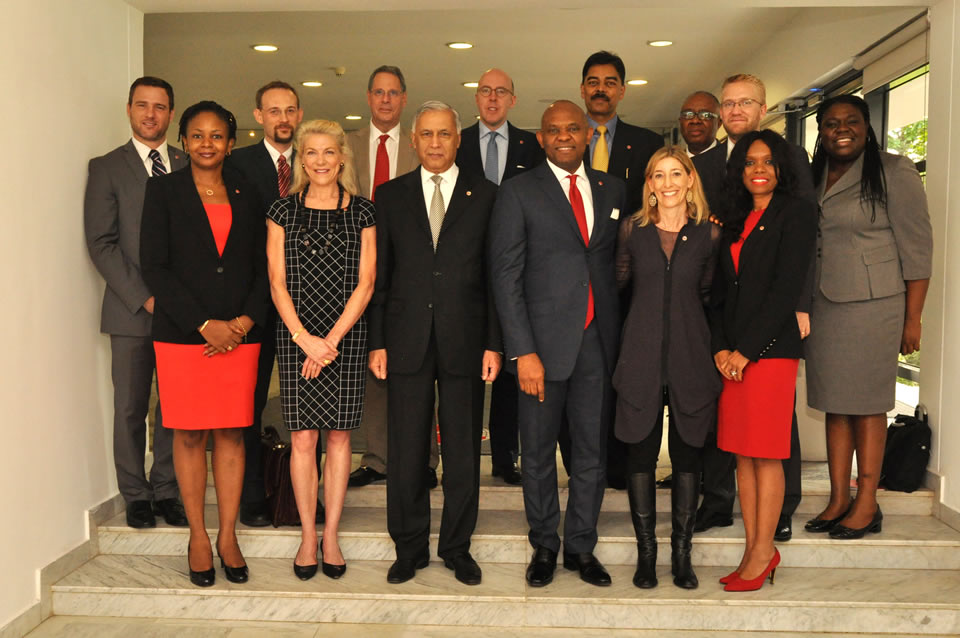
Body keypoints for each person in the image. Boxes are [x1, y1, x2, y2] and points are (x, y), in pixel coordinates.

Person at [489, 100, 626, 588]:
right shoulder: (518, 192)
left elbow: (618, 266)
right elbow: (505, 277)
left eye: (573, 128)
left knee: (592, 454)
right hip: (540, 351)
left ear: (588, 134)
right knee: (540, 452)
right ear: (540, 138)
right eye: (553, 130)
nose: (564, 136)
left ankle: (582, 547)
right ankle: (545, 543)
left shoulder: (615, 189)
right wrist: (521, 350)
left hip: (598, 346)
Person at [369, 101, 501, 586]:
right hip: (404, 340)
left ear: (458, 139)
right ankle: (409, 547)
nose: (435, 143)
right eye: (426, 134)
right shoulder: (390, 195)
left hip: (467, 340)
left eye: (444, 134)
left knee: (463, 450)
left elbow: (493, 277)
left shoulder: (486, 195)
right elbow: (380, 276)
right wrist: (377, 340)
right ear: (413, 139)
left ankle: (456, 547)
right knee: (405, 451)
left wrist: (494, 342)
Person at [140, 101, 268, 587]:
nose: (207, 144)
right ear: (184, 141)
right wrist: (202, 324)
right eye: (197, 135)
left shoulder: (249, 192)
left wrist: (242, 322)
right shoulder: (163, 190)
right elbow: (154, 266)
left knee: (232, 434)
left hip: (239, 336)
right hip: (182, 338)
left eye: (217, 136)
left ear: (231, 143)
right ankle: (197, 536)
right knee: (189, 436)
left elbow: (263, 265)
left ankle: (228, 536)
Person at [804, 95, 932, 539]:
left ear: (867, 125)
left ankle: (867, 502)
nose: (842, 129)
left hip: (874, 305)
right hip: (823, 303)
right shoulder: (814, 173)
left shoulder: (893, 170)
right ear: (820, 129)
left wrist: (912, 319)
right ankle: (839, 498)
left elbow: (918, 249)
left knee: (868, 406)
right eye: (832, 122)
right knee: (835, 405)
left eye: (852, 121)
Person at [693, 73, 814, 541]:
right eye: (728, 104)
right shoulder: (706, 164)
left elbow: (803, 242)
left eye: (746, 103)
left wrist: (800, 306)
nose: (736, 110)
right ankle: (719, 501)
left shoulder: (790, 162)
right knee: (731, 427)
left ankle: (780, 508)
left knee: (774, 425)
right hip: (730, 306)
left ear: (763, 109)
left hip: (775, 318)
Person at [266, 120, 376, 580]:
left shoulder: (364, 213)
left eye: (329, 152)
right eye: (311, 153)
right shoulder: (281, 212)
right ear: (300, 159)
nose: (320, 161)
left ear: (342, 158)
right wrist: (304, 338)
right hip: (296, 337)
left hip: (345, 339)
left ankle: (331, 534)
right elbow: (276, 282)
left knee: (338, 437)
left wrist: (329, 341)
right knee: (303, 438)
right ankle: (307, 536)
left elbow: (367, 282)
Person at [708, 130, 816, 592]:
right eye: (750, 161)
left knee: (766, 455)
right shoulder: (733, 217)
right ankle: (755, 549)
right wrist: (720, 347)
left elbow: (786, 289)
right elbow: (718, 291)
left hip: (768, 354)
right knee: (742, 456)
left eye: (768, 161)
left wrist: (745, 352)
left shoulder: (798, 211)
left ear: (782, 167)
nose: (759, 169)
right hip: (731, 354)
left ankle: (762, 552)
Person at [84, 77, 189, 530]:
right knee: (130, 406)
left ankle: (167, 489)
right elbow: (102, 242)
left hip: (182, 313)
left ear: (170, 113)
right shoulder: (106, 167)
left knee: (174, 407)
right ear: (129, 110)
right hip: (130, 312)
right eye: (142, 105)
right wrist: (145, 297)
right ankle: (136, 495)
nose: (151, 114)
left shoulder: (189, 164)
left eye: (160, 106)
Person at [615, 147, 721, 590]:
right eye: (659, 175)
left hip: (691, 359)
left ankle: (682, 554)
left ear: (690, 179)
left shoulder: (709, 235)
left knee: (686, 454)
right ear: (650, 185)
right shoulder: (631, 231)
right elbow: (618, 289)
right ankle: (646, 554)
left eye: (676, 173)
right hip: (639, 357)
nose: (669, 182)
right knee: (639, 451)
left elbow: (711, 296)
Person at [228, 80, 320, 528]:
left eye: (290, 110)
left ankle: (307, 495)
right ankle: (253, 495)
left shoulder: (315, 161)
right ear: (259, 116)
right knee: (249, 404)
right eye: (273, 110)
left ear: (299, 114)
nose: (283, 118)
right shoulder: (237, 165)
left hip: (313, 307)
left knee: (312, 407)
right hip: (259, 307)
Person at [345, 65, 439, 489]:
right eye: (378, 92)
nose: (385, 100)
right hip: (354, 274)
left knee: (422, 362)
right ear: (369, 97)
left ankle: (425, 459)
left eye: (393, 93)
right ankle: (378, 456)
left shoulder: (420, 145)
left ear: (404, 99)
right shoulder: (346, 146)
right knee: (374, 365)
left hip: (410, 274)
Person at [578, 50, 663, 489]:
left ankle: (621, 465)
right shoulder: (567, 141)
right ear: (582, 89)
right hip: (575, 286)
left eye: (610, 82)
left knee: (625, 375)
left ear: (622, 91)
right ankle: (583, 465)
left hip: (631, 284)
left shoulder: (646, 143)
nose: (601, 89)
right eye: (593, 81)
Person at [456, 67, 545, 485]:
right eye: (485, 90)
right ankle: (462, 453)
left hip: (518, 270)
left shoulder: (532, 145)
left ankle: (506, 454)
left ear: (513, 99)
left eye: (501, 92)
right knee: (465, 365)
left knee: (511, 364)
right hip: (465, 269)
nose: (492, 98)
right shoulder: (458, 144)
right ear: (476, 98)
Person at [679, 91, 722, 157]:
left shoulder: (733, 160)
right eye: (688, 114)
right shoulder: (673, 162)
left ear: (719, 123)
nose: (695, 121)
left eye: (705, 115)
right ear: (680, 121)